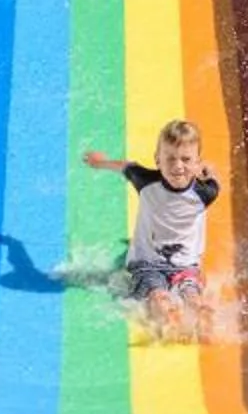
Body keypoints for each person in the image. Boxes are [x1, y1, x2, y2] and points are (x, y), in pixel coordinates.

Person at [82, 121, 222, 340]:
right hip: (166, 265)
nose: (178, 166)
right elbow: (125, 166)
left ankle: (183, 317)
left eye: (186, 159)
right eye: (170, 159)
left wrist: (100, 162)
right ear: (158, 160)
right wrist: (100, 162)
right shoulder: (200, 191)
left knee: (172, 294)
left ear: (196, 163)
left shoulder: (197, 192)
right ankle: (183, 316)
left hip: (166, 265)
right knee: (173, 292)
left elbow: (126, 166)